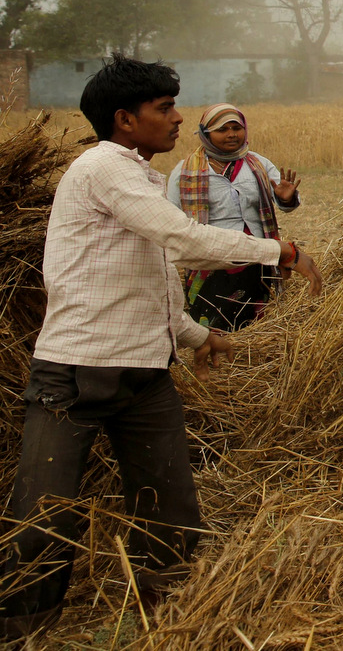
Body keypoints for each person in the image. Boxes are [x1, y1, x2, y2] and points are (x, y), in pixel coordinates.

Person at [0, 57, 322, 639]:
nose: (178, 120)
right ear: (125, 120)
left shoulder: (141, 178)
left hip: (143, 376)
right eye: (164, 109)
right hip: (74, 374)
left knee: (170, 509)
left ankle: (172, 619)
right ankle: (25, 629)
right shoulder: (103, 168)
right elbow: (185, 236)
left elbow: (158, 273)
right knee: (44, 515)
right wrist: (285, 254)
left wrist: (201, 337)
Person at [165, 103, 302, 331]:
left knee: (256, 324)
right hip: (211, 259)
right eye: (222, 129)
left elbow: (286, 205)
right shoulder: (184, 171)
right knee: (212, 322)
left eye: (236, 128)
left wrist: (286, 198)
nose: (231, 134)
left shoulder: (258, 164)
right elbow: (172, 216)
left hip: (257, 256)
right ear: (205, 134)